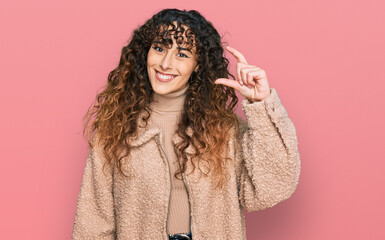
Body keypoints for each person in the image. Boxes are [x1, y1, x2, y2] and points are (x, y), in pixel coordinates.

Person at [72, 8, 301, 240]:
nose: (165, 63)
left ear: (198, 64)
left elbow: (272, 188)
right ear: (145, 52)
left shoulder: (224, 131)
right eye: (159, 48)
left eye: (182, 54)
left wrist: (261, 104)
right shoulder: (115, 130)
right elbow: (92, 223)